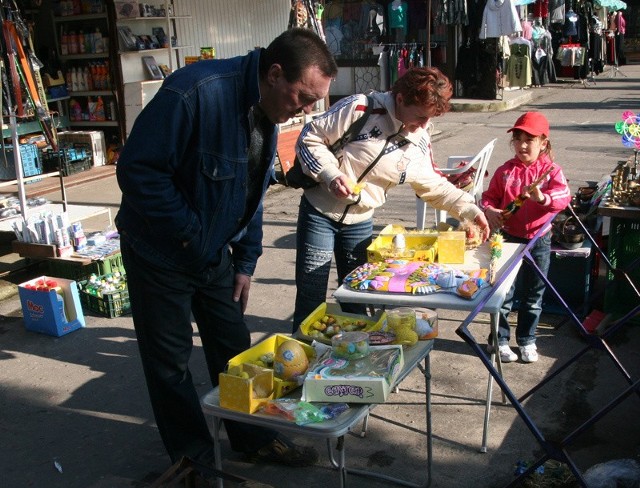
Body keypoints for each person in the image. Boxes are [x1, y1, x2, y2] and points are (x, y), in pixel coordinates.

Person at [115, 28, 337, 468]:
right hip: (159, 254)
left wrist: (246, 262)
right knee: (170, 366)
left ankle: (253, 440)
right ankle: (194, 461)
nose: (307, 111)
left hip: (213, 253)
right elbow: (138, 172)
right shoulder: (195, 92)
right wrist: (192, 237)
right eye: (304, 97)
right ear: (275, 74)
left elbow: (249, 192)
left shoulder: (268, 112)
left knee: (235, 350)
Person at [291, 66, 491, 333]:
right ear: (400, 99)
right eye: (420, 117)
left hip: (360, 220)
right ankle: (301, 360)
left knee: (358, 297)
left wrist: (468, 208)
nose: (423, 126)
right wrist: (330, 175)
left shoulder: (419, 136)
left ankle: (352, 361)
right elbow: (309, 138)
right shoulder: (360, 108)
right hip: (319, 212)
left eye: (429, 120)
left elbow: (431, 184)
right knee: (311, 295)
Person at [481, 112, 571, 363]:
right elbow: (488, 197)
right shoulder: (505, 171)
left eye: (529, 140)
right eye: (518, 139)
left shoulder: (551, 171)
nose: (521, 145)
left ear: (543, 142)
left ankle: (527, 340)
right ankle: (498, 341)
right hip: (508, 238)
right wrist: (490, 211)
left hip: (538, 240)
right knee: (503, 292)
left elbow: (564, 197)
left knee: (534, 295)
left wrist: (543, 198)